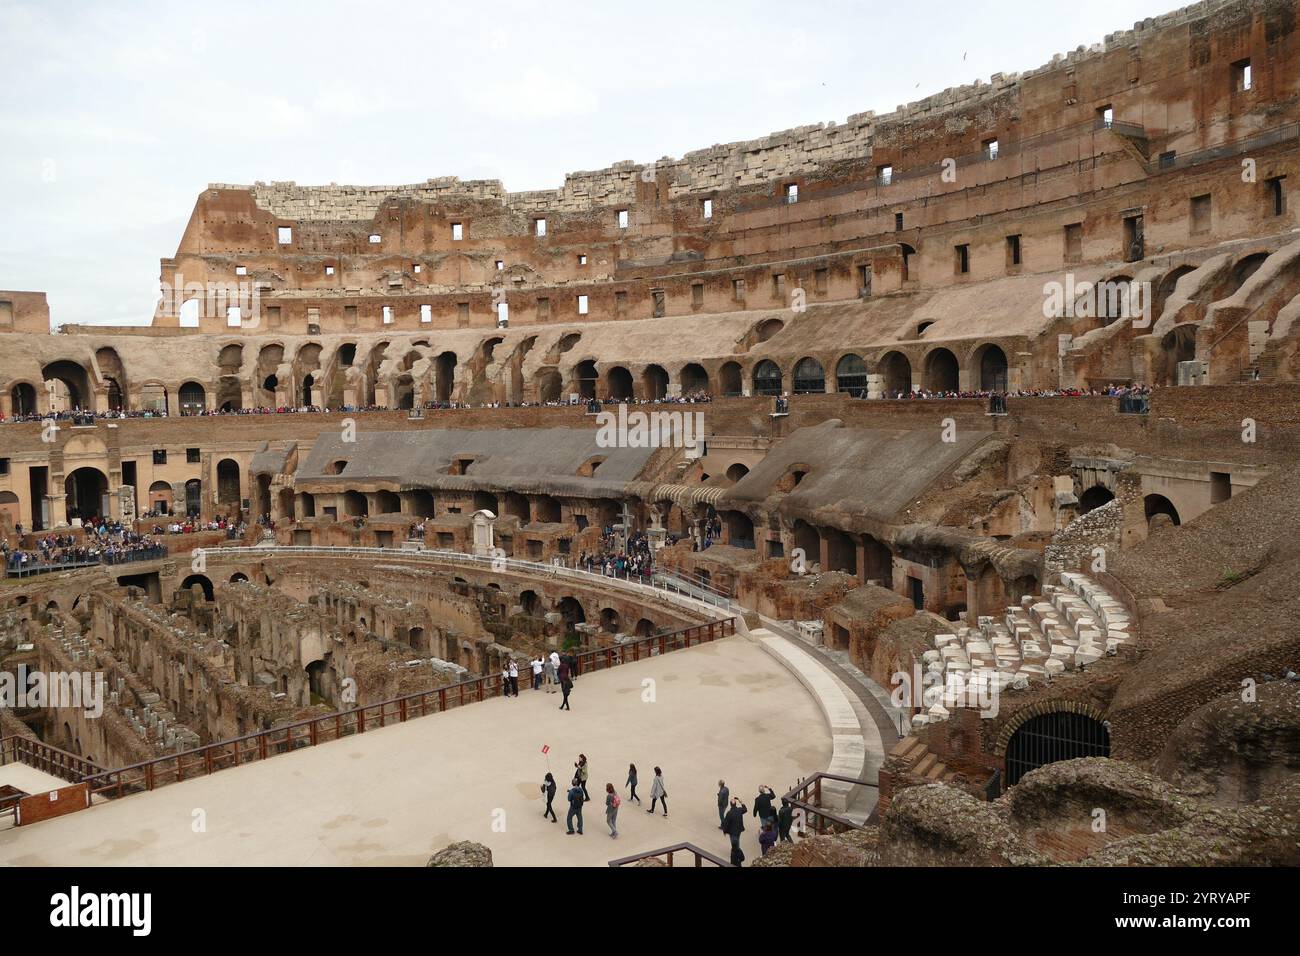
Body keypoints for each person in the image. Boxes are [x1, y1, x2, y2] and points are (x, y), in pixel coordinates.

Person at [722, 796, 748, 866]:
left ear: (730, 805)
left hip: (732, 831)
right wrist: (741, 802)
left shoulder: (729, 813)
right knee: (737, 840)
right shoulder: (739, 810)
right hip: (739, 829)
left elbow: (726, 823)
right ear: (735, 804)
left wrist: (724, 831)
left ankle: (735, 852)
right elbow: (745, 809)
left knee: (734, 842)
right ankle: (737, 850)